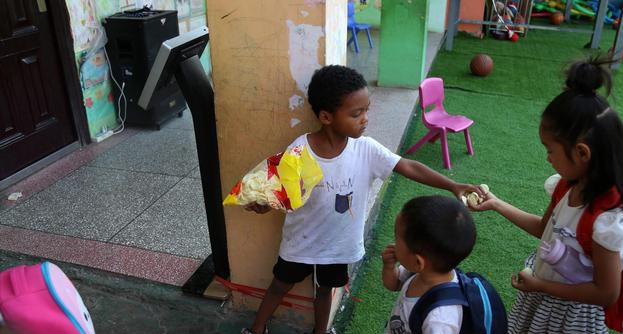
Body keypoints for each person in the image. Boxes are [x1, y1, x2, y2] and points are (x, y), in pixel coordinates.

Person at [241, 65, 484, 334]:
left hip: (337, 247)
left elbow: (409, 167)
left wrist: (452, 185)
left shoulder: (366, 149)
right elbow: (283, 192)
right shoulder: (300, 150)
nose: (365, 119)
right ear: (326, 116)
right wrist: (264, 204)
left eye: (367, 110)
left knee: (325, 292)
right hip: (300, 242)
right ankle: (257, 328)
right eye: (357, 114)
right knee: (280, 285)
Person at [471, 56, 623, 333]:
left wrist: (541, 286)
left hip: (571, 318)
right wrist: (496, 204)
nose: (548, 158)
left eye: (550, 149)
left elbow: (607, 293)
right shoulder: (568, 184)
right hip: (542, 298)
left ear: (582, 153)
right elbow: (545, 228)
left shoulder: (605, 221)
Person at [382, 196, 476, 333]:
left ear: (418, 262)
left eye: (397, 238)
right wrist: (389, 267)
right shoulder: (423, 271)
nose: (394, 244)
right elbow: (394, 284)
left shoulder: (439, 320)